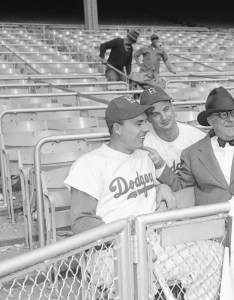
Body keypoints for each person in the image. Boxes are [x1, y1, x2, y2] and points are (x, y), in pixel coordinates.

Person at [65, 96, 222, 300]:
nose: (146, 128)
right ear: (117, 128)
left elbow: (144, 191)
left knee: (213, 253)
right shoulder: (90, 164)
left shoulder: (144, 156)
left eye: (145, 122)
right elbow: (81, 222)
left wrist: (162, 186)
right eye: (138, 123)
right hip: (111, 252)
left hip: (155, 243)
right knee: (139, 276)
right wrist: (126, 238)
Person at [140, 86, 205, 174]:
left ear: (172, 107)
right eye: (156, 114)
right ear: (147, 118)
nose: (164, 117)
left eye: (166, 109)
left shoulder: (197, 137)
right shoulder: (143, 144)